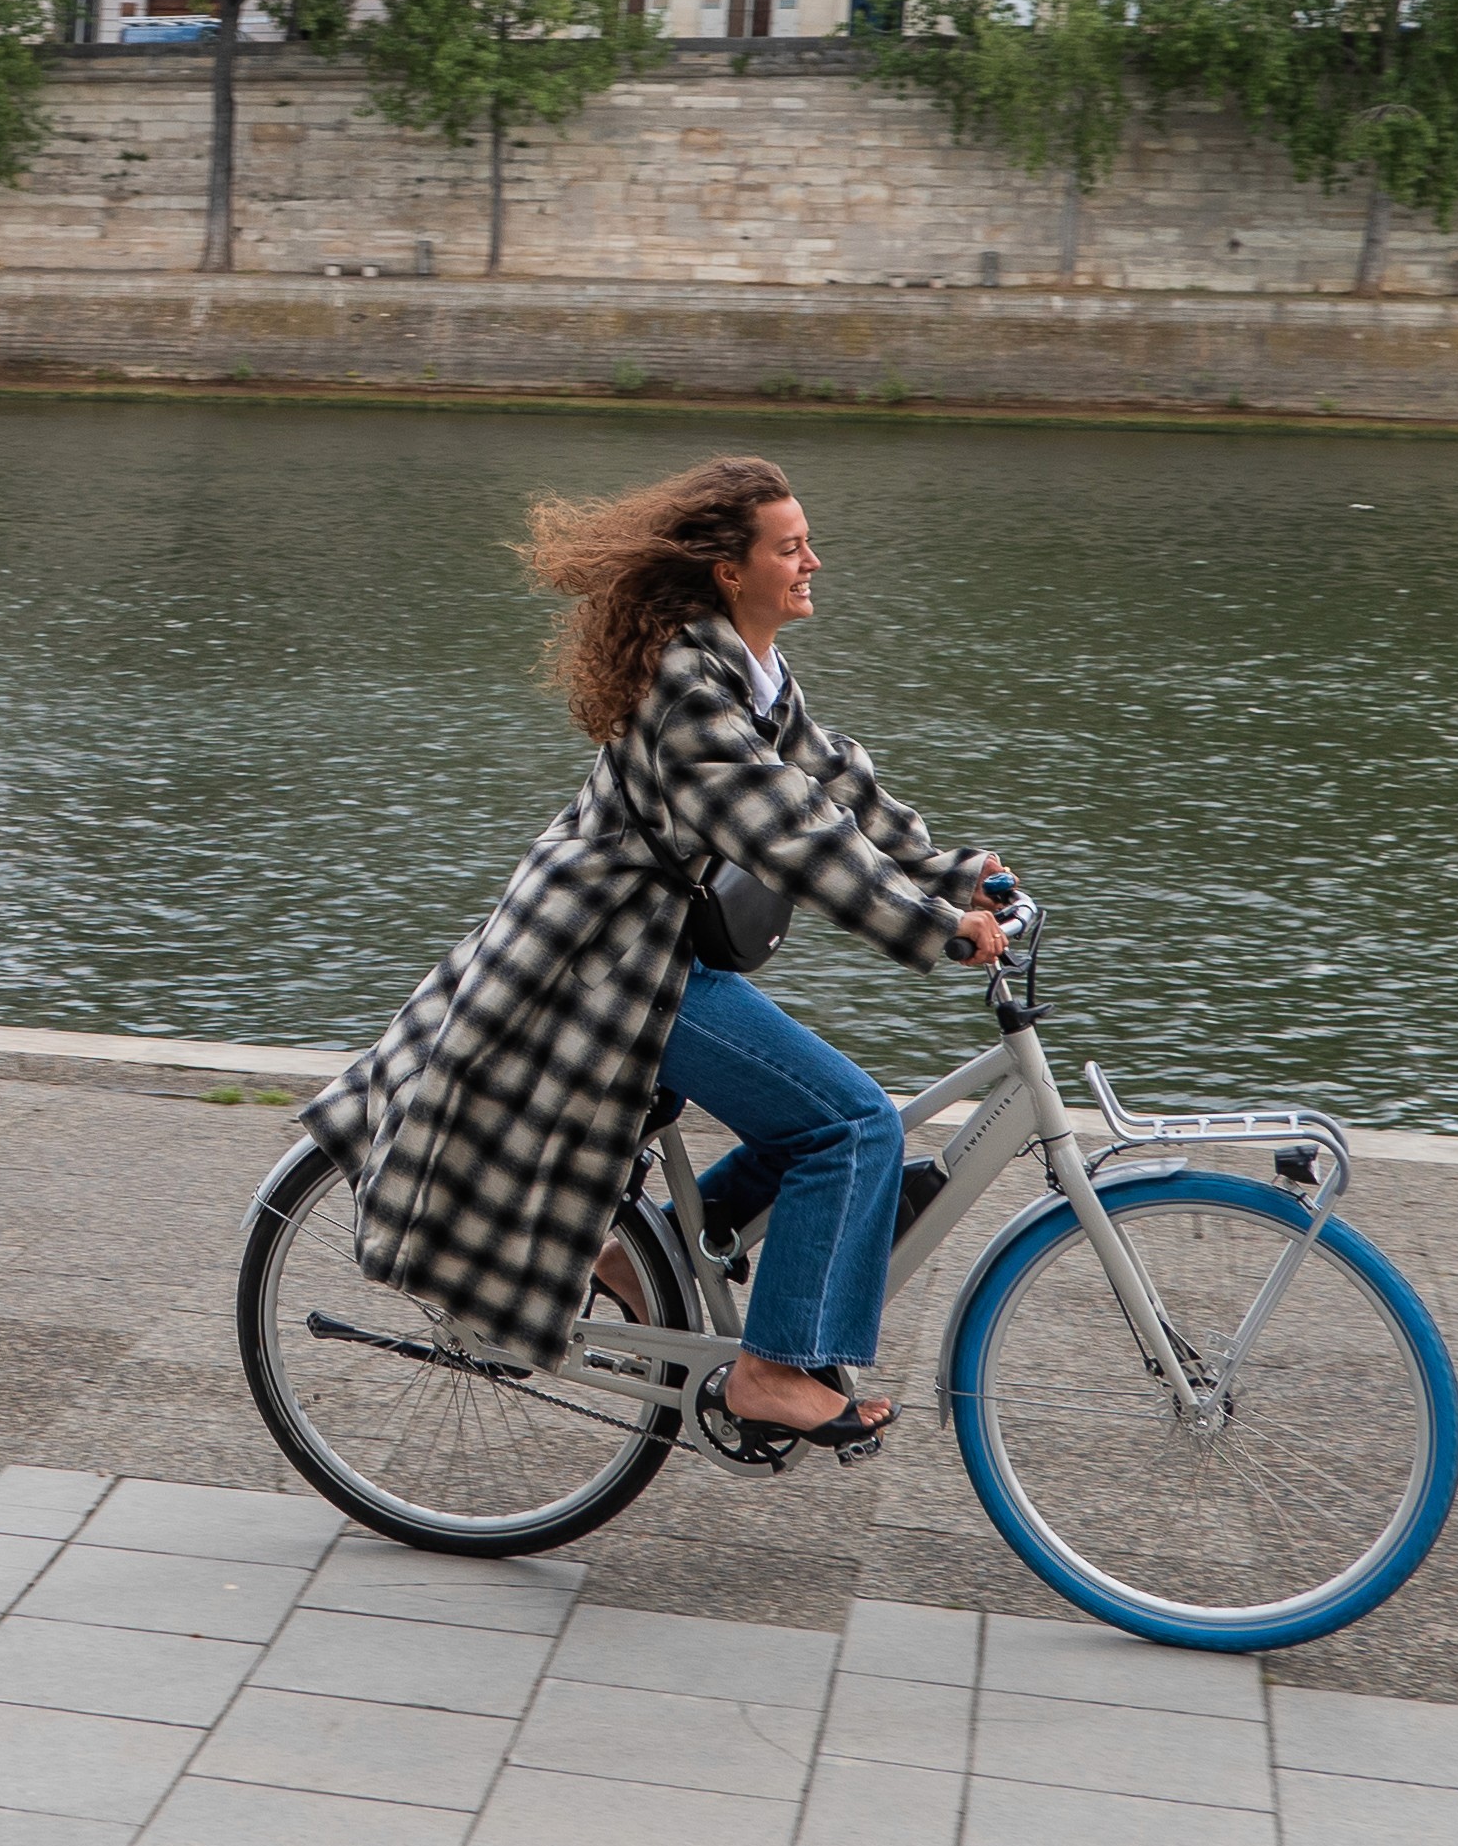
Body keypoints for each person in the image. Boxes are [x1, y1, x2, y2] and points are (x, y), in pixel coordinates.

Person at [296, 451, 1009, 1453]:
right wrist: (931, 926)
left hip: (661, 951)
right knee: (851, 1125)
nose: (815, 560)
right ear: (732, 569)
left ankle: (658, 1256)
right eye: (791, 546)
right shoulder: (687, 685)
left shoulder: (746, 666)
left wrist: (952, 872)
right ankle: (771, 1370)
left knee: (816, 1123)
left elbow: (833, 788)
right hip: (606, 966)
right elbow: (788, 833)